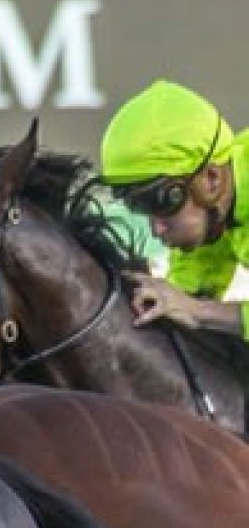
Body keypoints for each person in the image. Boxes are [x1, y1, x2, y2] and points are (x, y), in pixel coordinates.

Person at [98, 80, 249, 343]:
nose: (157, 228)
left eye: (162, 203)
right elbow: (183, 299)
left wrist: (201, 311)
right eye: (140, 208)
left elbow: (194, 308)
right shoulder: (216, 211)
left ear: (212, 179)